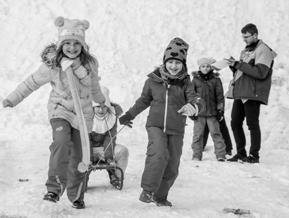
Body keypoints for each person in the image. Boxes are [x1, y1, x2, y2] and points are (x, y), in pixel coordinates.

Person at [2, 17, 105, 209]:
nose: (72, 48)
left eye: (77, 43)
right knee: (61, 141)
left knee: (80, 155)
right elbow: (31, 82)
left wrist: (104, 102)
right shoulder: (53, 64)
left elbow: (94, 88)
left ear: (83, 45)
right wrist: (13, 98)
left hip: (83, 116)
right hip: (60, 110)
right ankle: (54, 189)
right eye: (67, 43)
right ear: (60, 45)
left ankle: (76, 194)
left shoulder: (89, 65)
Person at [119, 37, 203, 207]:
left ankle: (160, 196)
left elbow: (196, 100)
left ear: (183, 64)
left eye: (178, 63)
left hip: (176, 128)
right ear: (164, 61)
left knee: (172, 164)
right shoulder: (153, 81)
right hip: (155, 126)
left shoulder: (186, 83)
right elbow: (143, 101)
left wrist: (193, 106)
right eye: (170, 62)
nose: (174, 66)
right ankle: (148, 190)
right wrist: (129, 115)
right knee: (158, 154)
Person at [225, 23, 277, 163]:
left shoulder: (263, 50)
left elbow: (260, 72)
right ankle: (241, 153)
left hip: (253, 92)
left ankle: (254, 155)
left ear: (255, 35)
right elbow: (244, 71)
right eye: (243, 37)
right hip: (242, 91)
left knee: (252, 124)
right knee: (235, 123)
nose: (245, 40)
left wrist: (239, 65)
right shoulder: (246, 50)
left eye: (247, 37)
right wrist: (234, 66)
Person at [87, 86, 129, 189]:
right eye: (97, 107)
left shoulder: (111, 116)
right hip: (88, 149)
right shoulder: (86, 116)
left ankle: (116, 177)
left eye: (104, 107)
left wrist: (109, 158)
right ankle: (81, 179)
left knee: (123, 151)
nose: (101, 110)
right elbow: (85, 140)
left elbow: (110, 138)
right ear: (93, 107)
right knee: (74, 153)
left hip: (106, 149)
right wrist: (89, 158)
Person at [190, 57, 226, 161]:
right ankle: (196, 155)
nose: (205, 68)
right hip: (199, 113)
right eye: (203, 66)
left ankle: (220, 154)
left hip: (212, 113)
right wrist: (192, 110)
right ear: (199, 68)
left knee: (216, 133)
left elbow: (220, 97)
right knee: (198, 135)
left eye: (208, 66)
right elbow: (191, 96)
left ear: (211, 68)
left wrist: (220, 110)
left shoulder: (216, 80)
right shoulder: (195, 80)